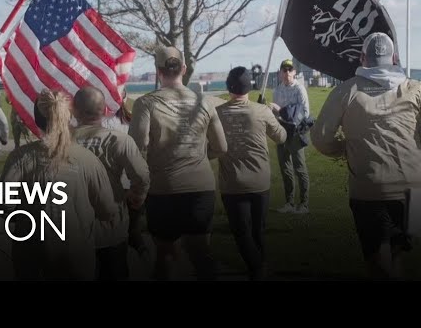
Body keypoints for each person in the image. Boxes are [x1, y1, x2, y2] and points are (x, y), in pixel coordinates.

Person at [311, 32, 421, 280]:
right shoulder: (415, 89)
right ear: (393, 58)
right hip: (414, 191)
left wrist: (343, 148)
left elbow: (320, 138)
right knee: (397, 254)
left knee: (377, 263)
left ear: (362, 57)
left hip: (371, 190)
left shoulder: (346, 90)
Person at [128, 46, 228, 281]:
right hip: (200, 186)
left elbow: (137, 145)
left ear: (157, 71)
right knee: (201, 254)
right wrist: (200, 156)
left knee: (165, 256)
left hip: (163, 188)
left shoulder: (146, 103)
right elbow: (222, 147)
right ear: (183, 68)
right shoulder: (204, 103)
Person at [0, 89, 117, 281]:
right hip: (76, 254)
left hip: (31, 253)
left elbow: (3, 205)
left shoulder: (20, 158)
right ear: (67, 118)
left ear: (37, 120)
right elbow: (108, 210)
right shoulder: (88, 159)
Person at [216, 67, 287, 280]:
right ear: (250, 86)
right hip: (260, 182)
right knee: (257, 231)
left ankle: (257, 269)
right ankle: (259, 268)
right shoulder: (262, 111)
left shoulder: (218, 113)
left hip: (232, 183)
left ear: (228, 86)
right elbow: (281, 137)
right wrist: (273, 114)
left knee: (242, 233)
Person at [72, 86, 150, 280]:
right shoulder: (119, 140)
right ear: (105, 109)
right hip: (111, 226)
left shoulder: (62, 141)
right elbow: (141, 176)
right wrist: (137, 197)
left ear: (74, 110)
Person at [268, 59, 311, 214]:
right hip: (280, 131)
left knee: (299, 168)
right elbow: (275, 113)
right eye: (284, 70)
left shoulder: (299, 89)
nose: (286, 73)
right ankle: (289, 203)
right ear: (280, 73)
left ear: (294, 72)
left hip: (295, 132)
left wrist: (281, 110)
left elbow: (305, 112)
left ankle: (304, 204)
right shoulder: (277, 90)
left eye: (289, 70)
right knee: (285, 168)